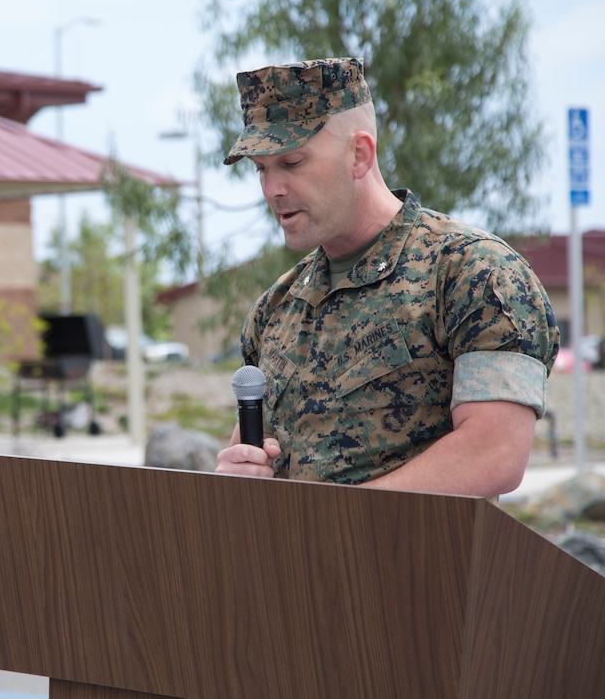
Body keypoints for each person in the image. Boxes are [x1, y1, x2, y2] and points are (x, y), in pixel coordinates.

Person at [215, 57, 560, 499]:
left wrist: (336, 524)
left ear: (359, 155)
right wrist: (235, 475)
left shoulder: (472, 273)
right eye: (262, 169)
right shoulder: (276, 308)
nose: (271, 189)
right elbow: (254, 450)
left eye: (292, 162)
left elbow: (493, 455)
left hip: (418, 565)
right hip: (292, 565)